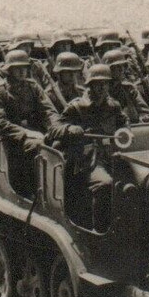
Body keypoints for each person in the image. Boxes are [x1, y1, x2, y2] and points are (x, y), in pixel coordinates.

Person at [56, 64, 128, 231]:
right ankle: (100, 233)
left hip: (111, 156)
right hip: (86, 161)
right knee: (105, 184)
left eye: (105, 83)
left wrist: (126, 133)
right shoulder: (76, 106)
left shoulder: (113, 106)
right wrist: (69, 129)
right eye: (98, 83)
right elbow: (55, 128)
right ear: (90, 85)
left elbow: (124, 123)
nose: (102, 87)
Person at [0, 49, 60, 197]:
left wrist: (56, 128)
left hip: (37, 132)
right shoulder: (0, 90)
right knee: (37, 147)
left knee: (59, 145)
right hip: (14, 138)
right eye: (17, 68)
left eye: (24, 68)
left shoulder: (33, 86)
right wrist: (26, 133)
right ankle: (33, 194)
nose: (22, 72)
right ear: (10, 70)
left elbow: (48, 111)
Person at [102, 48, 149, 123]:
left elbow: (146, 113)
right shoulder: (101, 90)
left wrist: (141, 121)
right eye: (117, 67)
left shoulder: (129, 89)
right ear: (109, 69)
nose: (122, 70)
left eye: (123, 66)